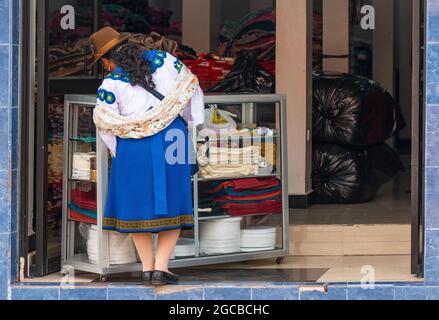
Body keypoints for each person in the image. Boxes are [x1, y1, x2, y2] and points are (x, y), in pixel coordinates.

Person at [89, 27, 204, 286]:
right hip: (174, 139)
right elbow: (192, 91)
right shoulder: (166, 61)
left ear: (108, 60)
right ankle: (162, 268)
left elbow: (106, 125)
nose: (105, 68)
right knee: (174, 203)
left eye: (103, 63)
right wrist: (189, 124)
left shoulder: (110, 84)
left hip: (132, 146)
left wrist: (121, 153)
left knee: (135, 207)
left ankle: (147, 268)